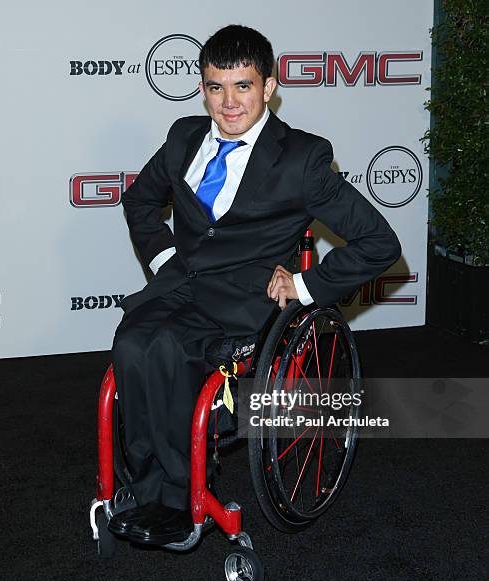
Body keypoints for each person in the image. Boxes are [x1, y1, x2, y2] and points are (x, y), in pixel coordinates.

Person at [108, 24, 401, 546]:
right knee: (130, 343)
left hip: (244, 299)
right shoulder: (182, 139)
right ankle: (145, 484)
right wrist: (166, 256)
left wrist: (306, 287)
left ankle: (177, 499)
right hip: (178, 285)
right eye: (216, 87)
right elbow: (140, 202)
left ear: (268, 87)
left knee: (172, 351)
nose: (228, 102)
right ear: (202, 88)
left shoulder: (302, 159)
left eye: (242, 86)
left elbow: (378, 242)